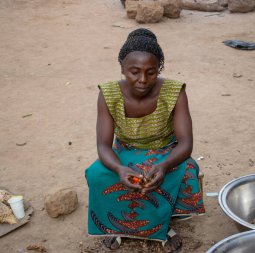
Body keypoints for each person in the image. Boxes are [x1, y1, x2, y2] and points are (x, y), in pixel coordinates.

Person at [85, 28, 205, 252]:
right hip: (125, 151)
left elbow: (186, 142)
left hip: (165, 150)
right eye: (134, 71)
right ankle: (118, 227)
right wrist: (120, 168)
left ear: (159, 68)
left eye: (151, 72)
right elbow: (103, 145)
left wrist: (164, 165)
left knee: (187, 169)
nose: (142, 79)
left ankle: (164, 224)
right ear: (121, 67)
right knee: (97, 173)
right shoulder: (108, 93)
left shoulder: (174, 91)